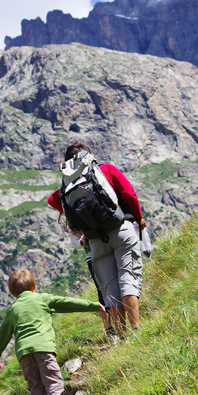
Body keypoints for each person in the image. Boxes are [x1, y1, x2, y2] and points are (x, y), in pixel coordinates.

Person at [0, 269, 105, 395]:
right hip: (43, 349)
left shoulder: (12, 310)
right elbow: (66, 303)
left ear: (13, 294)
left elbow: (2, 335)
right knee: (52, 380)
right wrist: (93, 305)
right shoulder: (43, 298)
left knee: (36, 386)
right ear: (34, 286)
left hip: (24, 355)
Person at [48, 142, 145, 340]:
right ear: (88, 156)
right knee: (127, 279)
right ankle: (137, 332)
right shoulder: (105, 170)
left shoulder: (67, 184)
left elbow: (52, 200)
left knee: (110, 288)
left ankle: (123, 339)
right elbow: (129, 194)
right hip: (120, 230)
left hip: (95, 241)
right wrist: (139, 217)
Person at [70, 231, 119, 345]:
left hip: (107, 250)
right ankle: (110, 330)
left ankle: (118, 326)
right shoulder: (74, 222)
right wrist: (82, 240)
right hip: (95, 256)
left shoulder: (73, 218)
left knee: (113, 287)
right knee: (102, 291)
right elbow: (76, 243)